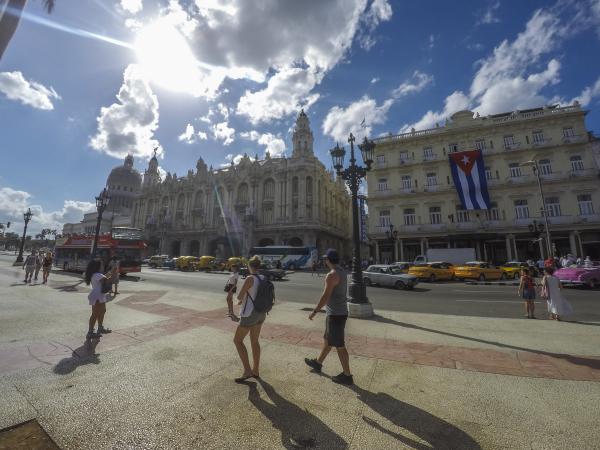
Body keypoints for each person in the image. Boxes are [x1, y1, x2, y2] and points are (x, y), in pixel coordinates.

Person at [304, 248, 353, 385]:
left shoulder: (331, 275)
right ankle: (318, 363)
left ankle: (347, 375)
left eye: (325, 259)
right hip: (339, 312)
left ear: (328, 260)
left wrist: (314, 311)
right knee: (328, 340)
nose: (324, 261)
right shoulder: (342, 271)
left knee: (340, 346)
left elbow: (325, 296)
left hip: (335, 314)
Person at [233, 256, 267, 383]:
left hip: (250, 314)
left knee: (237, 340)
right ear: (259, 266)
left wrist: (242, 298)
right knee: (255, 341)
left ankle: (247, 371)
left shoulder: (250, 278)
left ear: (249, 266)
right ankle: (256, 370)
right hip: (261, 313)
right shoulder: (263, 277)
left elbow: (240, 296)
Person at [84, 260, 114, 339]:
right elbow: (106, 281)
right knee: (95, 314)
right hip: (97, 296)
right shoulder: (97, 274)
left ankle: (100, 327)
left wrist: (108, 274)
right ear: (97, 267)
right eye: (101, 265)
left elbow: (104, 279)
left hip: (99, 295)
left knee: (102, 311)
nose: (102, 267)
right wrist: (112, 275)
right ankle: (90, 332)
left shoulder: (96, 274)